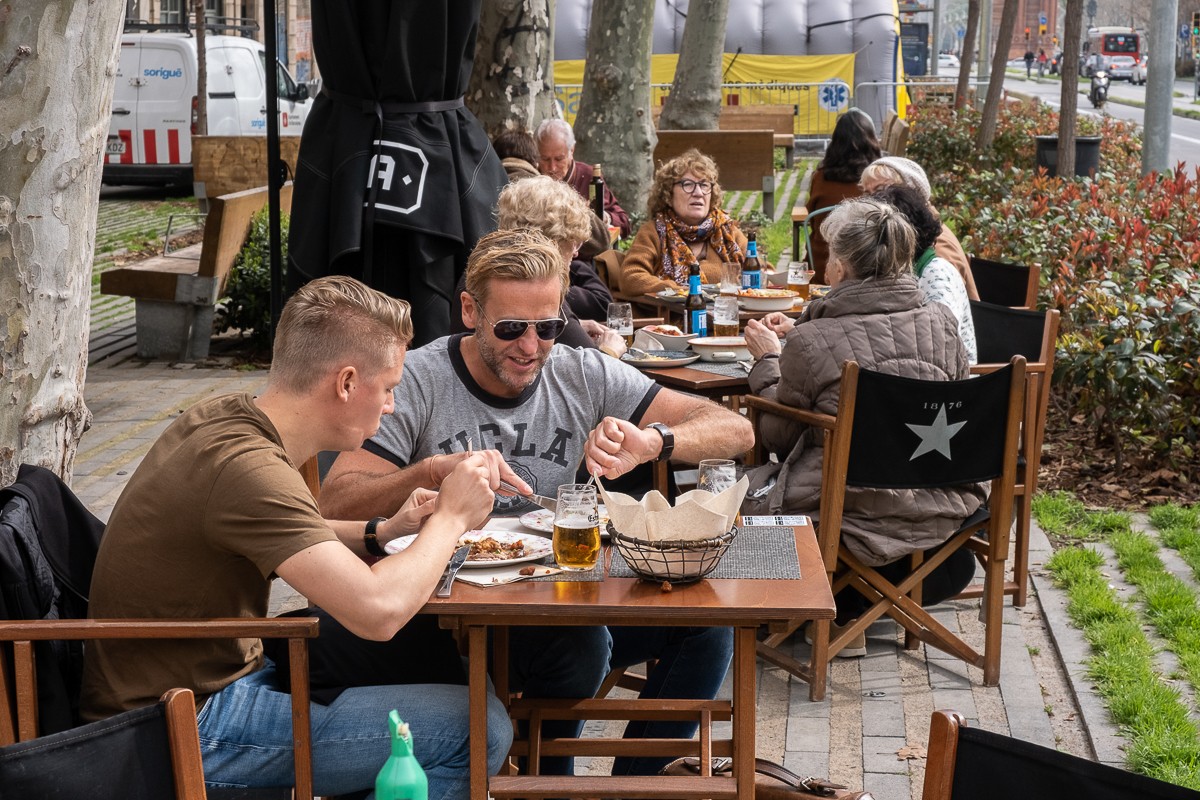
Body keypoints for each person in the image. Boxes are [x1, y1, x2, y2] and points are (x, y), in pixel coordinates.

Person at [321, 227, 754, 777]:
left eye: (547, 327)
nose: (530, 347)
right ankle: (547, 779)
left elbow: (735, 429)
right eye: (510, 328)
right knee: (581, 646)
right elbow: (335, 501)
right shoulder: (420, 379)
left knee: (706, 627)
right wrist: (430, 471)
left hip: (554, 594)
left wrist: (654, 442)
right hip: (444, 615)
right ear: (470, 311)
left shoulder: (580, 371)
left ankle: (636, 784)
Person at [80, 276, 513, 798]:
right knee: (478, 727)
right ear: (346, 383)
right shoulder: (248, 468)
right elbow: (378, 611)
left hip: (203, 684)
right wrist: (451, 518)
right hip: (179, 724)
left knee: (456, 672)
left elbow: (291, 530)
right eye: (389, 387)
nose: (392, 406)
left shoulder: (226, 418)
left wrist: (386, 530)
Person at [741, 198, 979, 657]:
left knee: (734, 491)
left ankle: (831, 602)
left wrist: (768, 361)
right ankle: (869, 599)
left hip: (844, 507)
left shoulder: (813, 340)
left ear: (843, 266)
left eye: (830, 253)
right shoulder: (941, 323)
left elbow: (778, 436)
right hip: (937, 500)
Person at [449, 174, 621, 353]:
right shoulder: (535, 284)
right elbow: (594, 367)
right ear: (555, 240)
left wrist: (573, 325)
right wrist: (610, 349)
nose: (576, 252)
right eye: (575, 242)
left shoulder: (484, 268)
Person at [617, 148, 759, 297]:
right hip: (672, 311)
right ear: (668, 194)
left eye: (704, 185)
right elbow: (630, 277)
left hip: (726, 311)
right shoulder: (654, 232)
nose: (698, 193)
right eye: (688, 184)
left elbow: (758, 269)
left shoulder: (727, 231)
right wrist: (675, 290)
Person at [871, 184, 977, 364]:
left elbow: (943, 341)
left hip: (953, 374)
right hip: (915, 367)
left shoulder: (936, 272)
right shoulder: (904, 268)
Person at [858, 156, 980, 300]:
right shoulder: (894, 231)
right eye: (866, 193)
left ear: (910, 193)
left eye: (880, 190)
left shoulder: (937, 244)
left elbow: (945, 301)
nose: (872, 200)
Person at [804, 108, 882, 283]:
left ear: (835, 143)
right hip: (867, 273)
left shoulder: (820, 177)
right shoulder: (877, 182)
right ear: (871, 141)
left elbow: (810, 219)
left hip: (820, 269)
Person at [536, 118, 632, 238]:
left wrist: (602, 217)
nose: (552, 168)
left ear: (572, 150)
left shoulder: (589, 177)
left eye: (559, 159)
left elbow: (624, 222)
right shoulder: (532, 178)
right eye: (545, 159)